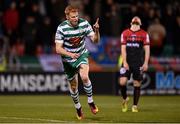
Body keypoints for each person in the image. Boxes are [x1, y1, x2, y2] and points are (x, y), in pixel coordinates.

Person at [55, 5, 100, 120]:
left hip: (81, 54)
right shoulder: (61, 28)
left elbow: (95, 41)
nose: (75, 18)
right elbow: (58, 49)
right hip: (68, 60)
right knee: (74, 87)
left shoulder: (84, 23)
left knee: (84, 77)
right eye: (73, 17)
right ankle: (78, 108)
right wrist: (70, 55)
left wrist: (96, 30)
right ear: (67, 17)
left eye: (76, 16)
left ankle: (90, 101)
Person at [119, 16, 150, 112]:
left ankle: (134, 106)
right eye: (134, 20)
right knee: (122, 82)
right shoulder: (125, 33)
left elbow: (147, 50)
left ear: (140, 24)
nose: (136, 19)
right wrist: (124, 62)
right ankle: (125, 99)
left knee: (137, 83)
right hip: (127, 61)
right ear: (131, 23)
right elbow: (123, 49)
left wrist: (146, 63)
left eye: (138, 20)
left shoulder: (144, 34)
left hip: (138, 63)